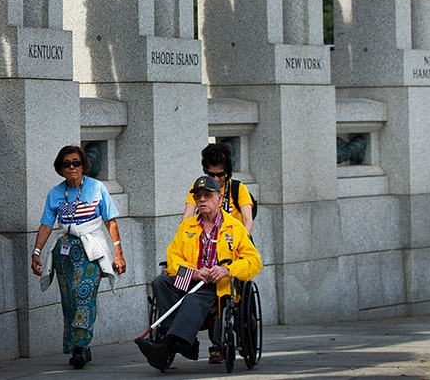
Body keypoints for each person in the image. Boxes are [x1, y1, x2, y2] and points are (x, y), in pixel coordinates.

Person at [137, 175, 262, 370]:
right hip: (192, 277)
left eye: (207, 195)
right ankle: (183, 340)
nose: (202, 200)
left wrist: (226, 269)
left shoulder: (235, 227)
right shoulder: (188, 226)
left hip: (217, 284)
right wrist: (194, 273)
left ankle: (168, 343)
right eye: (198, 196)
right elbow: (172, 257)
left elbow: (254, 261)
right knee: (160, 282)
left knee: (193, 299)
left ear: (219, 199)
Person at [30, 145, 126, 369]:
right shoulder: (55, 193)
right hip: (65, 250)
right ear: (60, 169)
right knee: (70, 299)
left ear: (83, 166)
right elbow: (46, 225)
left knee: (84, 293)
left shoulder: (97, 188)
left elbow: (110, 221)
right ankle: (77, 345)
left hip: (91, 248)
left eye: (76, 163)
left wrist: (118, 255)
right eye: (66, 164)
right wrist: (36, 252)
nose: (72, 167)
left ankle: (80, 347)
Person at [182, 143, 254, 235]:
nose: (216, 179)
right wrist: (183, 235)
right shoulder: (198, 188)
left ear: (227, 171)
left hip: (233, 241)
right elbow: (187, 216)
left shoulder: (238, 188)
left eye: (220, 174)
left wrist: (240, 242)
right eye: (212, 175)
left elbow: (248, 221)